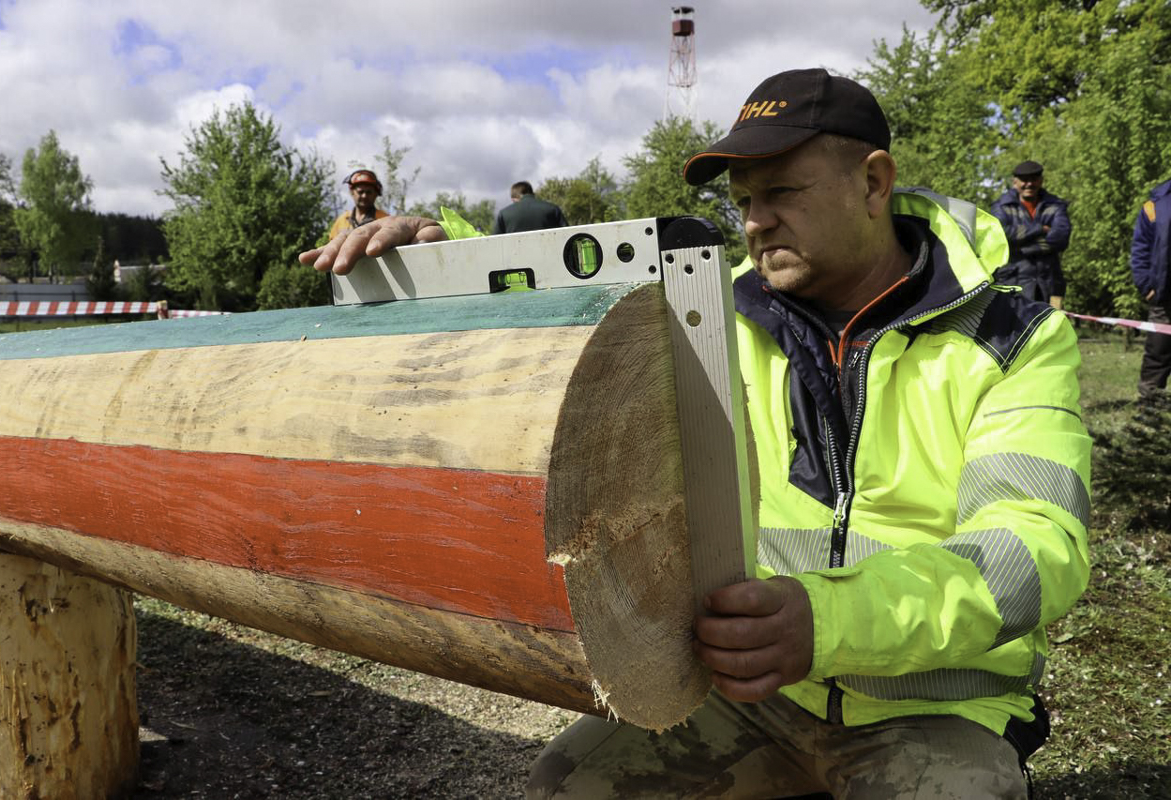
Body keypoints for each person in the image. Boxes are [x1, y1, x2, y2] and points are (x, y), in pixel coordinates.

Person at [301, 68, 1091, 799]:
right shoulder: (711, 314)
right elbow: (572, 293)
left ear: (874, 182)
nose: (753, 221)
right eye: (742, 200)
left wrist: (826, 622)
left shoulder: (1014, 339)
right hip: (754, 698)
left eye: (780, 191)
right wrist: (446, 261)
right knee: (562, 786)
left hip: (939, 709)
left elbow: (1035, 551)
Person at [989, 161, 1072, 309]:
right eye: (1024, 180)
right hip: (1012, 282)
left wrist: (1021, 247)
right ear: (1015, 182)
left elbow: (1060, 239)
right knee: (1013, 330)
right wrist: (1039, 229)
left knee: (1049, 330)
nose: (1029, 184)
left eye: (1033, 179)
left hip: (1049, 284)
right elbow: (1000, 236)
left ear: (1041, 180)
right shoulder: (1001, 206)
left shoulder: (1056, 205)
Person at [1131, 177, 1171, 404]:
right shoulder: (1155, 204)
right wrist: (1147, 285)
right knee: (1158, 350)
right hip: (1164, 292)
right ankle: (1150, 402)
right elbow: (1141, 248)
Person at [327, 169, 390, 242]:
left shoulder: (384, 219)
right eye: (360, 192)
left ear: (375, 194)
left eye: (369, 192)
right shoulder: (341, 221)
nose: (364, 196)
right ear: (352, 192)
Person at [492, 181, 569, 234]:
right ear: (533, 194)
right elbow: (568, 235)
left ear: (514, 199)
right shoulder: (553, 209)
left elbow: (495, 242)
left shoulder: (504, 213)